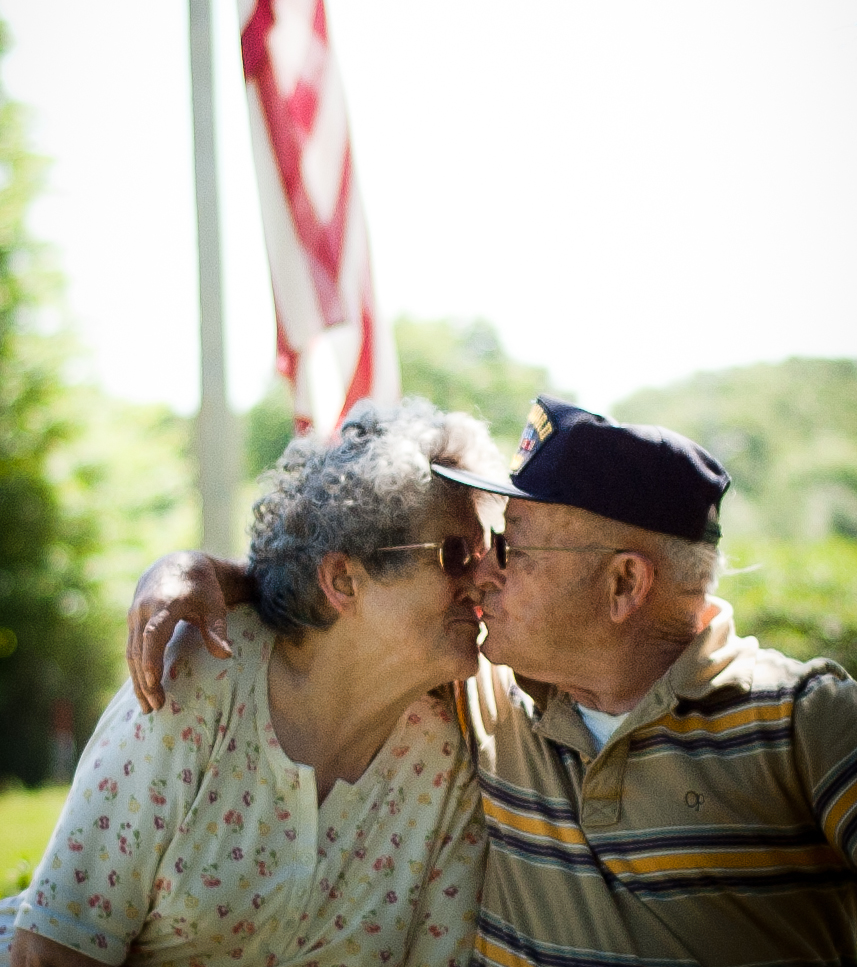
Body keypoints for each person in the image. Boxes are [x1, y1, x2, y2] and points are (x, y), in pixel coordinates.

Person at [119, 395, 857, 967]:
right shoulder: (484, 689)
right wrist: (204, 572)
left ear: (624, 584)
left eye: (514, 549)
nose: (484, 574)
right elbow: (350, 596)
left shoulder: (802, 722)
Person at [2, 398, 507, 967]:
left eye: (488, 552)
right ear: (343, 579)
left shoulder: (446, 758)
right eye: (454, 554)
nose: (485, 579)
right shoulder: (200, 676)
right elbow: (50, 951)